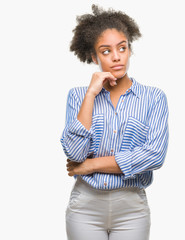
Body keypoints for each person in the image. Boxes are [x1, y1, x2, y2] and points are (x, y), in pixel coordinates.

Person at [60, 4, 169, 240]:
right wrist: (91, 94)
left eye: (122, 47)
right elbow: (75, 154)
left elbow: (154, 156)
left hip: (131, 207)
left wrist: (91, 165)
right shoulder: (78, 96)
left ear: (129, 49)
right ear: (93, 55)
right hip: (85, 206)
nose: (117, 56)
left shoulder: (154, 97)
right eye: (106, 50)